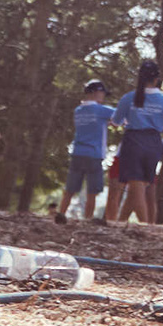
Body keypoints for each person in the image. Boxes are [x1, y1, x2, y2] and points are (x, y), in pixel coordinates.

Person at [106, 61, 163, 224]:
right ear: (157, 79)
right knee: (142, 186)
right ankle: (123, 221)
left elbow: (116, 121)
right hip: (154, 142)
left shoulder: (128, 98)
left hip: (133, 141)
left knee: (136, 187)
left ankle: (145, 225)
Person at [59, 80, 111, 222]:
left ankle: (61, 214)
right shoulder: (102, 110)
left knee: (70, 189)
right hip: (94, 154)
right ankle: (88, 219)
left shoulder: (78, 110)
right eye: (102, 93)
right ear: (95, 92)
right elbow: (121, 117)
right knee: (92, 191)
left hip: (77, 152)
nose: (103, 97)